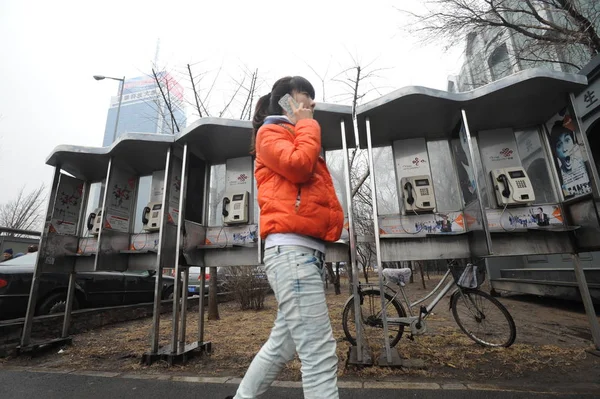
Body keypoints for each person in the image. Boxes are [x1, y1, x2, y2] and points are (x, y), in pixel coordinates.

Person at [227, 76, 344, 399]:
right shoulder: (271, 133)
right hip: (292, 251)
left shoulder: (295, 135)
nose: (310, 106)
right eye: (303, 98)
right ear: (285, 103)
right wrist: (307, 125)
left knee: (283, 344)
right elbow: (298, 167)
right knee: (319, 353)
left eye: (311, 100)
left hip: (302, 252)